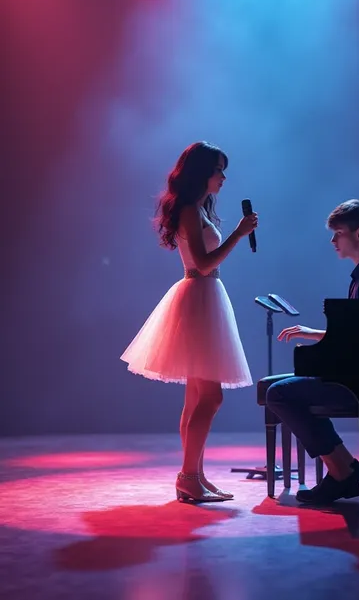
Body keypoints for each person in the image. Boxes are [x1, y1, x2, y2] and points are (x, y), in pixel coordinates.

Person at [120, 141, 257, 503]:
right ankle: (189, 476)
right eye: (218, 170)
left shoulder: (196, 209)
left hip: (203, 297)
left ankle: (194, 474)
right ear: (202, 173)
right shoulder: (190, 212)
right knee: (210, 397)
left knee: (197, 397)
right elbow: (203, 263)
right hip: (199, 297)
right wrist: (239, 235)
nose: (223, 177)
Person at [266, 199, 359, 505]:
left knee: (279, 394)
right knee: (285, 388)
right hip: (356, 372)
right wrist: (313, 333)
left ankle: (342, 470)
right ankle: (343, 468)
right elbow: (356, 333)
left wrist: (319, 347)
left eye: (337, 233)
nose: (332, 240)